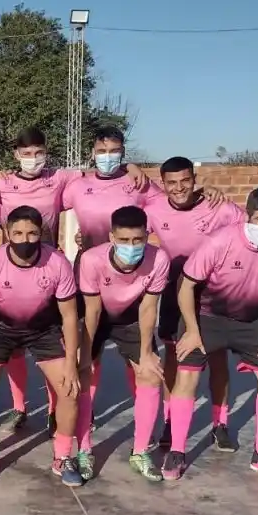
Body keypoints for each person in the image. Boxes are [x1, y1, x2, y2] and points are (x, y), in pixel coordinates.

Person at [0, 127, 149, 435]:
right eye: (26, 154)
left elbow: (102, 171)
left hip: (51, 270)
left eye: (38, 153)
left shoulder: (61, 178)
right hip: (10, 273)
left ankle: (54, 410)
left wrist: (130, 166)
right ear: (15, 155)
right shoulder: (1, 185)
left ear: (46, 153)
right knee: (14, 349)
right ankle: (19, 408)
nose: (32, 160)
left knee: (55, 344)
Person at [65, 133, 227, 435]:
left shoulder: (138, 183)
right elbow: (41, 204)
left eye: (115, 151)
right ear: (92, 152)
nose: (108, 155)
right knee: (88, 349)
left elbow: (175, 196)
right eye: (102, 150)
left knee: (149, 355)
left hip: (139, 275)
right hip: (90, 269)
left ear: (123, 152)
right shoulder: (78, 184)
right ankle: (82, 416)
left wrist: (204, 191)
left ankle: (160, 420)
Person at [169, 186, 258, 484]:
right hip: (205, 316)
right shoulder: (221, 241)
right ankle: (177, 451)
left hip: (250, 320)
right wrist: (191, 331)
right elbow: (187, 286)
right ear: (247, 216)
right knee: (187, 376)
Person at [0, 205, 82, 486]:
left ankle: (63, 456)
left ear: (41, 233)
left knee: (69, 390)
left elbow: (69, 316)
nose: (25, 239)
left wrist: (71, 363)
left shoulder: (57, 262)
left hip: (43, 330)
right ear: (7, 233)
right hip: (1, 329)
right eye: (17, 233)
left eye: (32, 233)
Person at [145, 157, 245, 451]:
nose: (179, 188)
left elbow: (251, 233)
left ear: (195, 179)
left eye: (185, 180)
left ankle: (220, 423)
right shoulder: (152, 209)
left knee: (216, 357)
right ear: (163, 184)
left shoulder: (220, 208)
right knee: (174, 356)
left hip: (214, 293)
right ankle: (170, 419)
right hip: (174, 289)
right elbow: (127, 232)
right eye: (172, 182)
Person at [78, 206, 170, 482]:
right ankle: (83, 449)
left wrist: (145, 353)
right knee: (85, 374)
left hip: (132, 316)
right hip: (98, 315)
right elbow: (92, 311)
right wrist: (85, 353)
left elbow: (149, 307)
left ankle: (140, 451)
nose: (131, 247)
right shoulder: (91, 259)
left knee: (151, 376)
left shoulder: (159, 259)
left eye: (138, 240)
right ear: (111, 237)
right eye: (124, 240)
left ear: (147, 236)